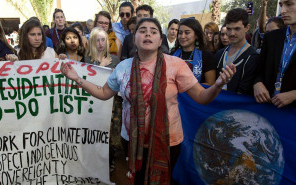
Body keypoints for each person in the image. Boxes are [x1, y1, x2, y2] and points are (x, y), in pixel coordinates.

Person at [61, 17, 236, 185]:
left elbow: (201, 97)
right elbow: (104, 92)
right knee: (138, 180)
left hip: (168, 141)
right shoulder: (123, 67)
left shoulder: (176, 64)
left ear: (160, 41)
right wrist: (76, 78)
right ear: (134, 39)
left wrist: (218, 85)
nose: (147, 34)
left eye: (153, 32)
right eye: (142, 31)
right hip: (131, 140)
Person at [83, 27, 121, 172]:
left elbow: (119, 83)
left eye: (103, 39)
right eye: (97, 40)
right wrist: (102, 66)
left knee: (110, 134)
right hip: (93, 102)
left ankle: (110, 162)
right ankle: (95, 162)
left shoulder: (116, 59)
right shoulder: (87, 60)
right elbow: (88, 81)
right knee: (96, 133)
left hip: (112, 103)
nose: (100, 43)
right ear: (92, 42)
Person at [253, 0, 296, 108]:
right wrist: (257, 83)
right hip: (268, 109)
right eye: (281, 5)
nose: (282, 11)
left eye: (289, 4)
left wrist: (294, 95)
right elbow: (258, 71)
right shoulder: (271, 37)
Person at [215, 8, 259, 95]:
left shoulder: (252, 57)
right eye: (229, 29)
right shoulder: (219, 54)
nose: (232, 33)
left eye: (237, 29)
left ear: (247, 28)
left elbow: (244, 92)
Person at [171, 18, 216, 85]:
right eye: (180, 33)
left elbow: (211, 83)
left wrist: (187, 88)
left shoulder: (206, 55)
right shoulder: (172, 54)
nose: (182, 36)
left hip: (198, 94)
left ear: (196, 35)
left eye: (187, 33)